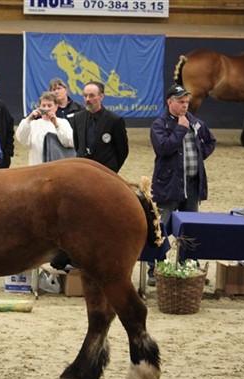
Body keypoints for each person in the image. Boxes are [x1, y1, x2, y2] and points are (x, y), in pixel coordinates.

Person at [146, 84, 217, 285]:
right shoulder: (159, 125)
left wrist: (199, 153)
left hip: (192, 185)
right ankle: (155, 268)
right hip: (168, 185)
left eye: (186, 102)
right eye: (180, 102)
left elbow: (211, 141)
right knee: (161, 227)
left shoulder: (196, 122)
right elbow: (164, 148)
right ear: (170, 102)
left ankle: (189, 266)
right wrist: (181, 129)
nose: (185, 106)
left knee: (191, 227)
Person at [71, 81, 129, 173]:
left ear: (101, 97)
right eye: (85, 96)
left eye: (91, 96)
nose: (87, 99)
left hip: (105, 172)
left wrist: (112, 169)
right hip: (82, 171)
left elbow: (122, 150)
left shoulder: (114, 120)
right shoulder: (78, 118)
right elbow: (77, 144)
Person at [15, 91, 74, 166]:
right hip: (36, 166)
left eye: (49, 106)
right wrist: (29, 119)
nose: (46, 108)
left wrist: (56, 125)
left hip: (56, 167)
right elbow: (21, 139)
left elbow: (69, 142)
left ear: (56, 107)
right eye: (43, 105)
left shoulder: (63, 123)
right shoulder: (33, 124)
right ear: (39, 107)